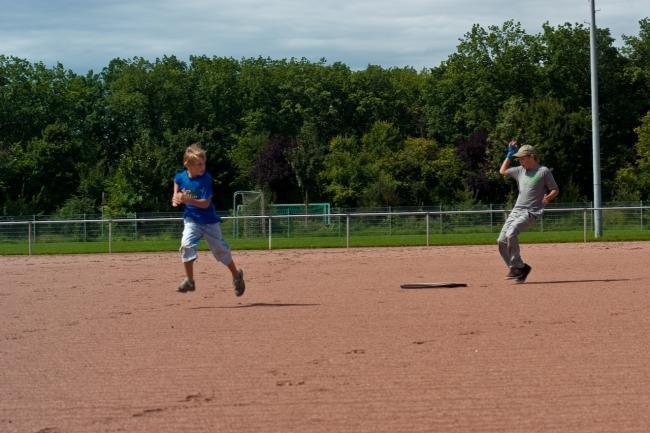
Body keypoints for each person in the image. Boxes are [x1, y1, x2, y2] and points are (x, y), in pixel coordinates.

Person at [172, 143, 246, 295]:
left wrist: (187, 200)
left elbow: (205, 204)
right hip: (191, 220)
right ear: (188, 165)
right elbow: (177, 180)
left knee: (220, 251)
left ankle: (236, 275)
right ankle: (190, 281)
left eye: (203, 163)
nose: (202, 167)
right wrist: (175, 196)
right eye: (199, 164)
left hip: (209, 222)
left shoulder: (205, 179)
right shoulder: (182, 176)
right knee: (186, 246)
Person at [498, 140, 559, 283]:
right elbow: (502, 171)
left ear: (531, 156)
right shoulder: (520, 171)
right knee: (501, 241)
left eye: (522, 158)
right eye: (518, 158)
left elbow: (555, 189)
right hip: (516, 211)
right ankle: (520, 269)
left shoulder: (543, 171)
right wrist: (509, 154)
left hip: (531, 212)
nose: (520, 161)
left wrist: (548, 197)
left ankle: (517, 266)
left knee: (511, 232)